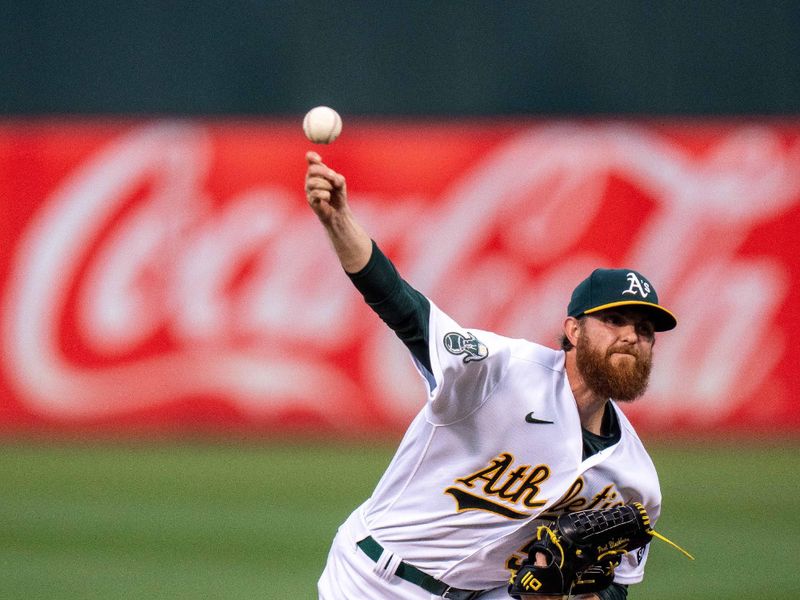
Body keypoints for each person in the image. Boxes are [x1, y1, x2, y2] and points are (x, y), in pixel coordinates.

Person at [305, 150, 677, 600]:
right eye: (615, 321)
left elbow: (618, 584)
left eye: (644, 329)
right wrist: (339, 221)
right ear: (573, 330)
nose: (632, 337)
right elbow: (405, 309)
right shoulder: (501, 370)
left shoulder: (635, 479)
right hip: (375, 579)